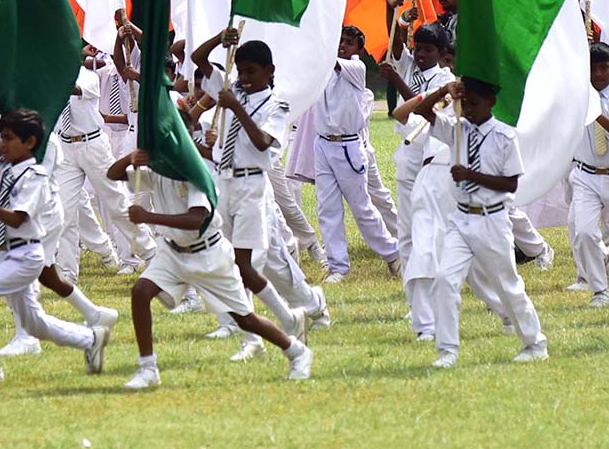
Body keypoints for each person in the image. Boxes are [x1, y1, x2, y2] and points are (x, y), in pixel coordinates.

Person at [111, 148, 313, 390]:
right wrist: (131, 158)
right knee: (140, 292)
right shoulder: (159, 170)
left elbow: (197, 219)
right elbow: (113, 174)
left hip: (209, 255)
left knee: (245, 319)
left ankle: (296, 351)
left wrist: (148, 217)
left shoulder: (195, 173)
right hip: (173, 252)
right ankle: (148, 367)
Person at [0, 108, 112, 382]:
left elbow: (17, 218)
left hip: (24, 254)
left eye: (8, 138)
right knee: (34, 323)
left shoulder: (34, 177)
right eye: (1, 137)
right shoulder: (1, 168)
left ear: (29, 143)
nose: (1, 143)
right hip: (4, 254)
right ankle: (90, 339)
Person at [412, 77, 547, 368]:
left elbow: (510, 184)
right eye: (465, 103)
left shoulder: (503, 137)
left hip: (492, 220)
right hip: (461, 218)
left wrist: (471, 176)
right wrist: (442, 91)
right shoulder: (458, 129)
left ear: (491, 102)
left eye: (474, 103)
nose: (468, 109)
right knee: (446, 280)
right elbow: (422, 112)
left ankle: (535, 343)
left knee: (508, 285)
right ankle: (447, 349)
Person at [192, 29, 309, 360]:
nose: (243, 77)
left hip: (252, 186)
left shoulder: (277, 104)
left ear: (269, 71)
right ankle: (281, 319)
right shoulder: (232, 90)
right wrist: (219, 39)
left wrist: (235, 108)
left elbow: (262, 143)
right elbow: (197, 59)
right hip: (224, 182)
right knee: (223, 260)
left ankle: (257, 336)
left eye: (251, 72)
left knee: (245, 264)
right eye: (240, 71)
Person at [379, 11, 455, 334]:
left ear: (440, 54)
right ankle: (416, 304)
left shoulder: (444, 79)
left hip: (431, 157)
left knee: (429, 235)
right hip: (407, 158)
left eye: (428, 50)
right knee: (406, 235)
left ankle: (432, 300)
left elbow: (418, 108)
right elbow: (395, 47)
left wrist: (395, 81)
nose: (421, 55)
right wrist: (394, 13)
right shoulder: (409, 63)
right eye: (418, 48)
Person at [310, 26, 400, 283]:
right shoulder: (326, 69)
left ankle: (392, 253)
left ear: (359, 49)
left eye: (349, 43)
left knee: (362, 208)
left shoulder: (356, 68)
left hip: (347, 147)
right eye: (339, 41)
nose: (342, 46)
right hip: (323, 143)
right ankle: (338, 266)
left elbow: (330, 60)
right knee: (327, 208)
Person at [54, 49, 154, 281]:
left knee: (117, 205)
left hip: (93, 145)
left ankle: (151, 253)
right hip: (67, 145)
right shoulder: (50, 77)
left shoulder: (87, 76)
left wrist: (49, 79)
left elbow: (74, 89)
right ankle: (68, 272)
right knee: (65, 213)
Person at [568, 43, 609, 312]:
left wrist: (595, 112)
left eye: (604, 68)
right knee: (583, 231)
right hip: (585, 175)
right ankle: (600, 289)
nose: (598, 74)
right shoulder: (577, 99)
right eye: (592, 68)